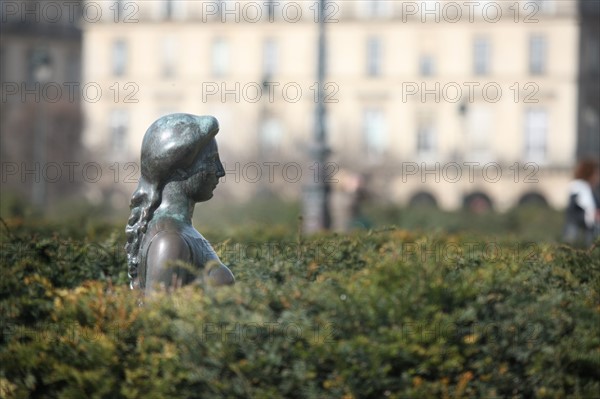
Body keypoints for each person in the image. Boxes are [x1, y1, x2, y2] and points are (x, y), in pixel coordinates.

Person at [125, 113, 235, 292]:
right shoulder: (169, 240)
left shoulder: (180, 232)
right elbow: (160, 316)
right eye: (211, 161)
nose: (220, 171)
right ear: (181, 170)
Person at [562, 159, 600, 246]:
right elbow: (573, 213)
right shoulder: (577, 188)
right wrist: (592, 216)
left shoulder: (591, 190)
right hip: (577, 232)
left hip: (588, 231)